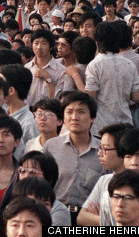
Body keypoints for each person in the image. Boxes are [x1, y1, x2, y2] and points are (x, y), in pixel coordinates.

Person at [43, 92, 104, 223]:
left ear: (92, 117)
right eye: (69, 112)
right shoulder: (51, 146)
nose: (74, 117)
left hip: (88, 218)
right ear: (63, 117)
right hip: (56, 214)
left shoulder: (104, 150)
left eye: (81, 112)